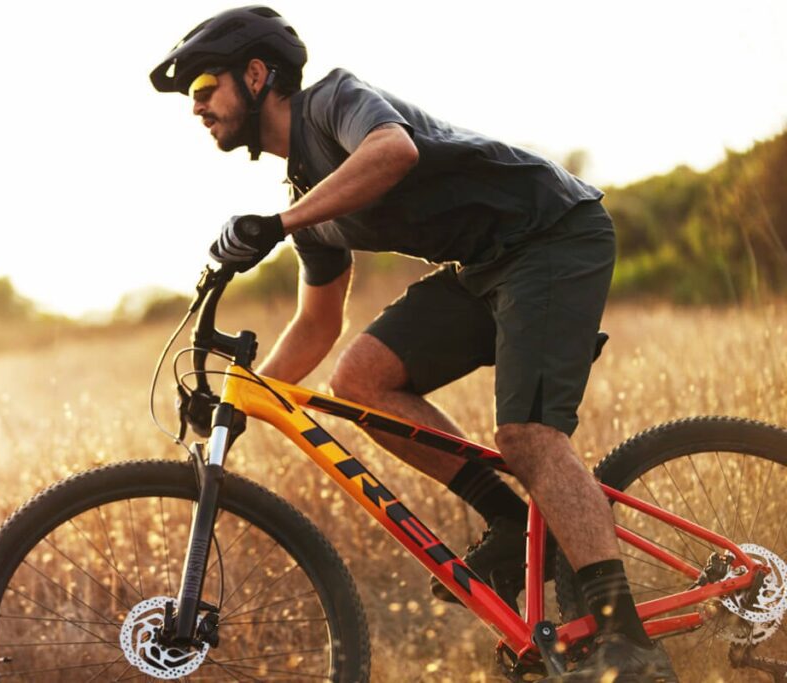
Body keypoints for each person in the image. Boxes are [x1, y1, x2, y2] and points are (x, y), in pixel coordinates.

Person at [151, 6, 677, 681]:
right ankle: (511, 522)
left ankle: (627, 641)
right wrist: (240, 398)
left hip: (553, 234)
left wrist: (277, 224)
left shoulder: (332, 101)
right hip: (483, 267)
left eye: (204, 88)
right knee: (359, 379)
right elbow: (318, 323)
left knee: (527, 436)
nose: (196, 107)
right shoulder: (309, 199)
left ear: (257, 76)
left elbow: (393, 152)